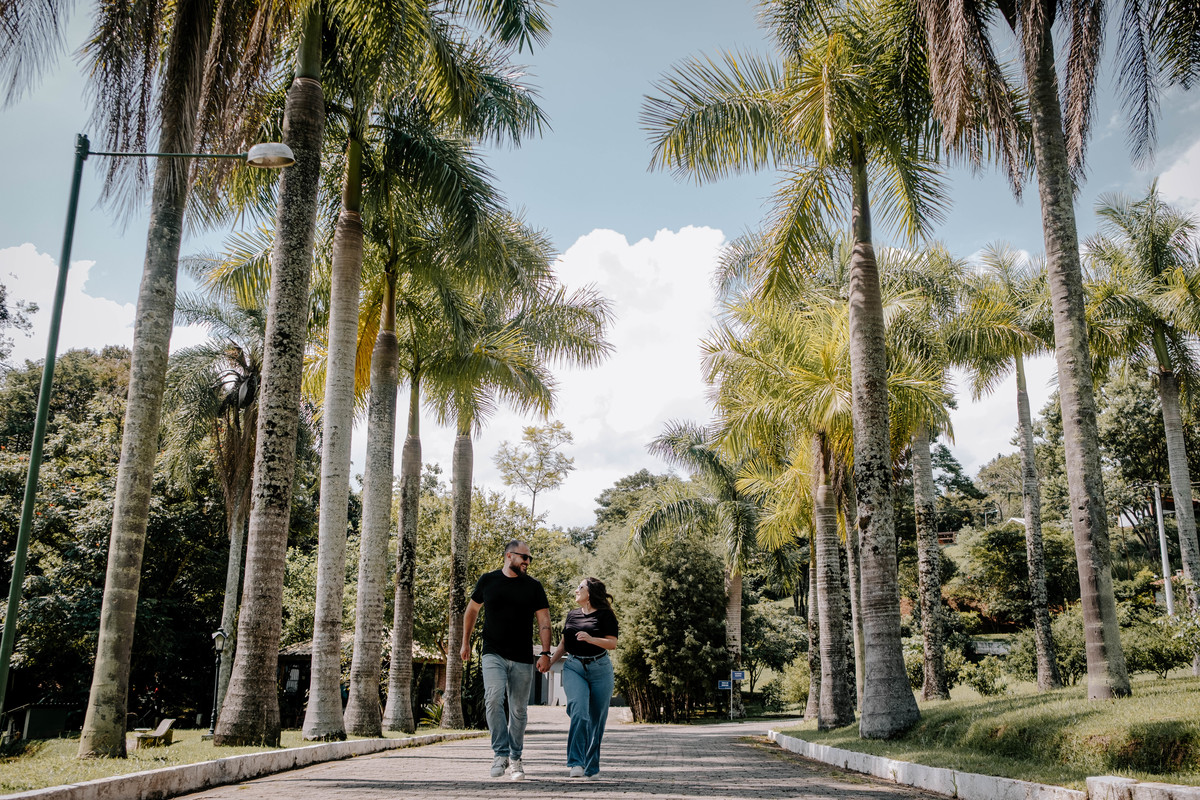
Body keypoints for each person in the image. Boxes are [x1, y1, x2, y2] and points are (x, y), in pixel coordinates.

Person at [461, 540, 551, 781]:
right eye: (524, 557)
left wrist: (545, 652)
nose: (528, 562)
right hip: (493, 652)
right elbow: (471, 611)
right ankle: (500, 754)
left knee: (519, 711)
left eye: (530, 558)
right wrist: (465, 642)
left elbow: (544, 621)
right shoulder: (488, 581)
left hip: (522, 656)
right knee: (492, 698)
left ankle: (516, 758)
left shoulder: (534, 587)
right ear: (509, 556)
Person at [549, 577, 618, 780]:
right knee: (579, 711)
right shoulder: (572, 615)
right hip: (574, 667)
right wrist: (549, 662)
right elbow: (563, 645)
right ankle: (576, 762)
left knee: (597, 720)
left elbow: (612, 644)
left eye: (580, 587)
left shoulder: (605, 615)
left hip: (600, 669)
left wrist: (591, 639)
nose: (576, 590)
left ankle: (591, 766)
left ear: (590, 593)